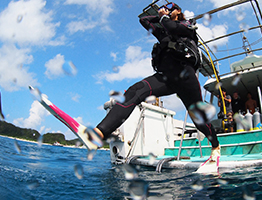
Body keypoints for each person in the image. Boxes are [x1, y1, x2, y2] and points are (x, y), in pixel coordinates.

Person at [93, 3, 220, 160]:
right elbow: (144, 21)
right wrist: (159, 16)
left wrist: (164, 17)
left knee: (199, 120)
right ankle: (100, 132)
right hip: (166, 78)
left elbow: (172, 27)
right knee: (135, 91)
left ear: (179, 12)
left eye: (171, 8)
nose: (167, 10)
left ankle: (215, 145)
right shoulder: (163, 32)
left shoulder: (186, 27)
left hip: (186, 78)